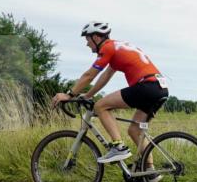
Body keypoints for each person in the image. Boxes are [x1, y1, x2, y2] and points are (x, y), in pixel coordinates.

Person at [52, 22, 168, 165]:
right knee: (135, 131)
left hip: (146, 86)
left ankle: (118, 146)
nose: (87, 44)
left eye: (87, 40)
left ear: (96, 37)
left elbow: (90, 75)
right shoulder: (117, 47)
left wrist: (69, 95)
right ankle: (150, 170)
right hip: (159, 87)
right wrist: (88, 95)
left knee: (100, 106)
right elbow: (105, 76)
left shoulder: (107, 48)